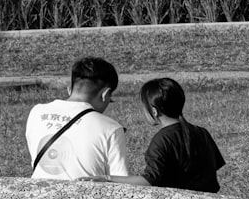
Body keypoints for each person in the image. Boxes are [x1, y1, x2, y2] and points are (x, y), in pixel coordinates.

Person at [83, 77, 224, 192]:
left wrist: (108, 178)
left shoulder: (162, 140)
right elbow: (213, 167)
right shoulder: (202, 132)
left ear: (154, 111)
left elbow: (149, 181)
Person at [25, 57, 130, 180]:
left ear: (70, 89)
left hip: (38, 194)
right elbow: (121, 183)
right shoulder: (111, 129)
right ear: (105, 94)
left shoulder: (37, 113)